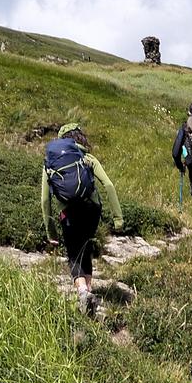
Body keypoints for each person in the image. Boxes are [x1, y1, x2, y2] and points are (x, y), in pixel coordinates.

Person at [41, 123, 123, 308]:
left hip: (68, 212)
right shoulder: (87, 157)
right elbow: (109, 185)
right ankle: (88, 292)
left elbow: (45, 200)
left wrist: (51, 232)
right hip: (92, 209)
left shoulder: (50, 164)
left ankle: (83, 291)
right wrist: (118, 218)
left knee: (73, 250)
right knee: (85, 245)